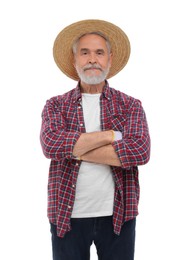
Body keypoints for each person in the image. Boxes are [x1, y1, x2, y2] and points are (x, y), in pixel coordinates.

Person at [40, 19, 151, 260]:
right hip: (67, 215)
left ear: (109, 59)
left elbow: (140, 151)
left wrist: (73, 148)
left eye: (99, 53)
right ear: (74, 60)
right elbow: (51, 144)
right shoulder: (56, 105)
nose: (92, 59)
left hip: (118, 216)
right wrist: (111, 136)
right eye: (85, 52)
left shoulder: (130, 105)